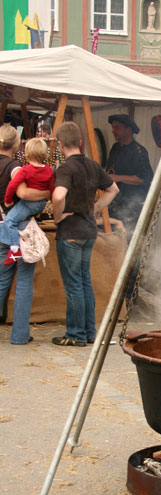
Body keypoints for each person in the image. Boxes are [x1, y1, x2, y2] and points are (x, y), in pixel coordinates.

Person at [51, 121, 118, 347]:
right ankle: (89, 332)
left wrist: (57, 216)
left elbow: (59, 196)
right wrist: (97, 207)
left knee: (74, 285)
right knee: (84, 281)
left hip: (70, 232)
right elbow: (113, 189)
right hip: (89, 231)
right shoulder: (92, 165)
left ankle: (75, 334)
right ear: (80, 142)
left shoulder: (66, 168)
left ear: (60, 145)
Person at [0, 124, 52, 344]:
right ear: (16, 143)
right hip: (19, 227)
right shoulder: (14, 167)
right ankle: (20, 335)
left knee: (2, 280)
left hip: (2, 225)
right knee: (23, 281)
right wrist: (47, 193)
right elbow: (23, 192)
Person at [2, 137, 54, 265]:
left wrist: (8, 199)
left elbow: (13, 185)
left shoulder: (25, 170)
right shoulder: (49, 170)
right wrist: (49, 198)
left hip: (28, 203)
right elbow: (52, 187)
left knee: (10, 220)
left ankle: (14, 249)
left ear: (26, 154)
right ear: (45, 155)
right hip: (41, 204)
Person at [106, 114, 153, 238]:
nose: (113, 131)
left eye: (117, 128)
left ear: (128, 129)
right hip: (114, 203)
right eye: (113, 128)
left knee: (128, 240)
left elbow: (143, 179)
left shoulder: (139, 152)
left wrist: (117, 178)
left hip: (131, 206)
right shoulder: (115, 148)